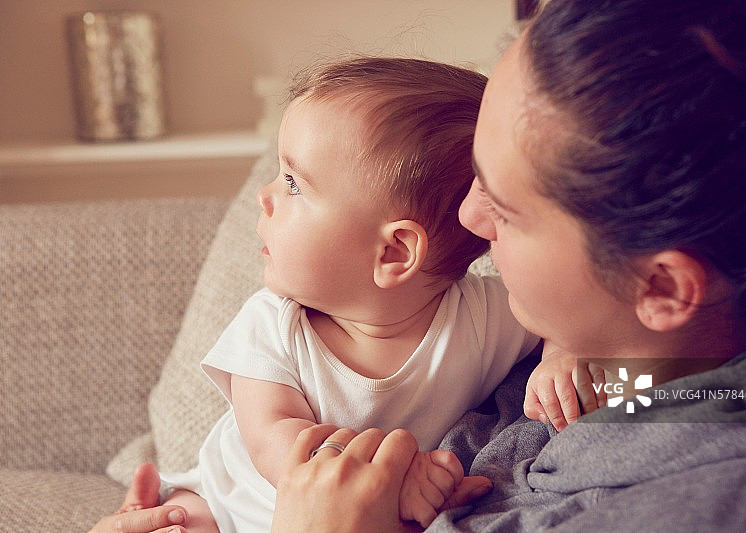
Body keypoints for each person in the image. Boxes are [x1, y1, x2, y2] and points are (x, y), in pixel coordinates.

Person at [92, 0, 746, 531]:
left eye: (504, 208)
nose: (465, 224)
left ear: (662, 287)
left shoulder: (724, 493)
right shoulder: (616, 359)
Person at [149, 57, 542, 533]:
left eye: (293, 183)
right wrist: (398, 479)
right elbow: (278, 446)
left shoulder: (481, 316)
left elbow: (560, 322)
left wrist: (564, 356)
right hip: (226, 505)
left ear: (393, 252)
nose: (264, 195)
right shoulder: (272, 327)